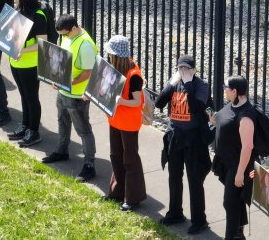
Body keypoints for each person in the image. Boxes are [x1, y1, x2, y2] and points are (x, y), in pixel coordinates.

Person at [155, 55, 211, 235]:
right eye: (180, 68)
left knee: (194, 180)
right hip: (176, 137)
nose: (183, 72)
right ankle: (175, 213)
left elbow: (196, 108)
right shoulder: (175, 83)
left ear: (194, 70)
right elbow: (159, 103)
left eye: (187, 69)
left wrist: (188, 84)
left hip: (193, 139)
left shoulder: (201, 86)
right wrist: (171, 84)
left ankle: (199, 220)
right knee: (174, 176)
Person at [42, 15, 98, 182]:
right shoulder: (68, 37)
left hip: (76, 96)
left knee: (84, 130)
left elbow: (88, 73)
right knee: (62, 121)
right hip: (64, 91)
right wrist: (56, 79)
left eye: (65, 34)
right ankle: (62, 150)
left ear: (74, 28)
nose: (63, 37)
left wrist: (67, 83)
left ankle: (89, 164)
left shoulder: (86, 44)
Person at [102, 35, 147, 211]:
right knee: (115, 155)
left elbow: (137, 102)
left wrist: (121, 101)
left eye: (110, 53)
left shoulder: (134, 75)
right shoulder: (115, 67)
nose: (108, 56)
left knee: (130, 159)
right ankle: (117, 192)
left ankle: (133, 198)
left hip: (128, 124)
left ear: (116, 55)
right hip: (115, 120)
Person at [212, 75, 256, 240]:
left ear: (234, 91)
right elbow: (229, 125)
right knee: (235, 201)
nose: (224, 89)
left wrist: (239, 173)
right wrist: (217, 123)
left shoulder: (246, 116)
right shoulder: (235, 104)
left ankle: (230, 236)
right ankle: (238, 233)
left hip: (238, 166)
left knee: (230, 203)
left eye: (226, 87)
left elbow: (248, 147)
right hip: (227, 162)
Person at [6, 0, 47, 147]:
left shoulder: (38, 15)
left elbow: (42, 43)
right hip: (16, 62)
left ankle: (34, 131)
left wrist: (22, 51)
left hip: (29, 64)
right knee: (23, 96)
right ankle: (25, 125)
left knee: (31, 97)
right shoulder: (18, 9)